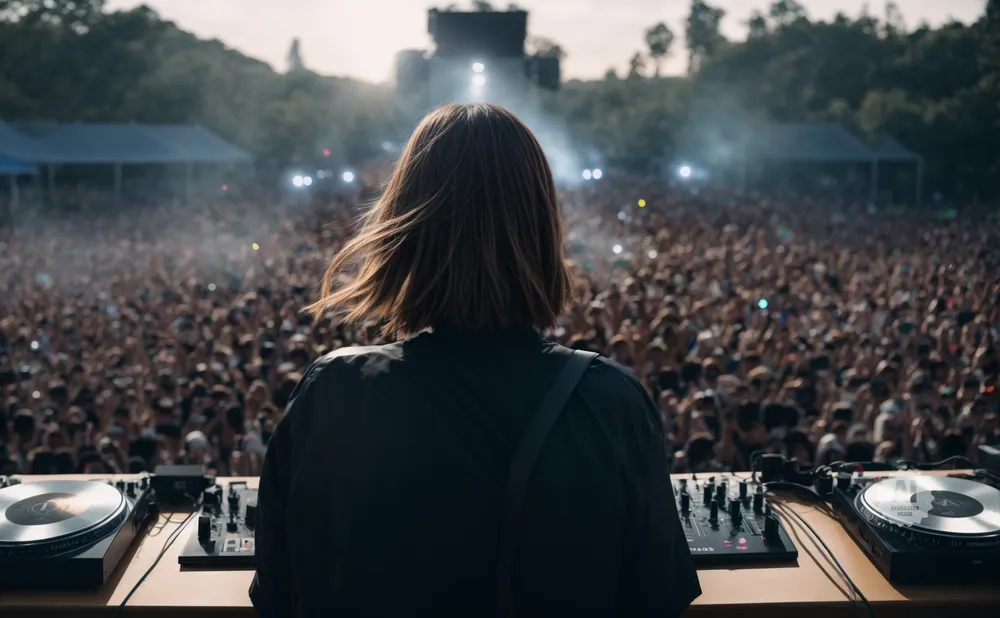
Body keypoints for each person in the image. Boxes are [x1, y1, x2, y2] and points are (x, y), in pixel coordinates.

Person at [249, 103, 701, 617]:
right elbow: (655, 599)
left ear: (405, 230)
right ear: (541, 231)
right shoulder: (610, 403)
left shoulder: (333, 394)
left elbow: (278, 595)